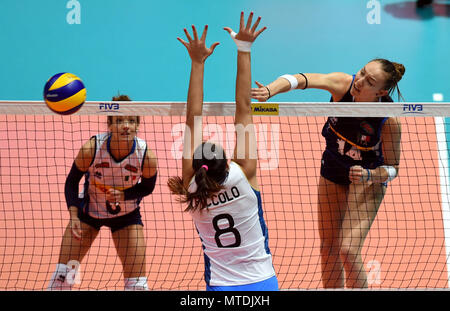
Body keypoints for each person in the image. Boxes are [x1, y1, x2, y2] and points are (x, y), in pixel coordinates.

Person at [252, 60, 404, 288]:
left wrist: (369, 175)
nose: (360, 81)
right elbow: (300, 78)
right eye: (362, 73)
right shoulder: (343, 84)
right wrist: (270, 90)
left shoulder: (388, 119)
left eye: (369, 82)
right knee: (328, 247)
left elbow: (393, 169)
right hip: (333, 165)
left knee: (348, 251)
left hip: (368, 178)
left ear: (381, 92)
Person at [168, 12, 278, 291]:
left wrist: (197, 63)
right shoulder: (244, 174)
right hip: (262, 282)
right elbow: (244, 105)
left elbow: (193, 116)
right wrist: (244, 48)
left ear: (196, 164)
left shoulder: (191, 187)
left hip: (220, 285)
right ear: (226, 163)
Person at [47, 95, 158, 290]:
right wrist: (73, 215)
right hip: (87, 215)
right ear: (110, 124)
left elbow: (148, 187)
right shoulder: (92, 149)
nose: (126, 126)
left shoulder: (145, 155)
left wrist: (124, 195)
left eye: (131, 121)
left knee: (138, 285)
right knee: (62, 278)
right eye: (119, 120)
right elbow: (72, 182)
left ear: (138, 125)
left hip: (127, 218)